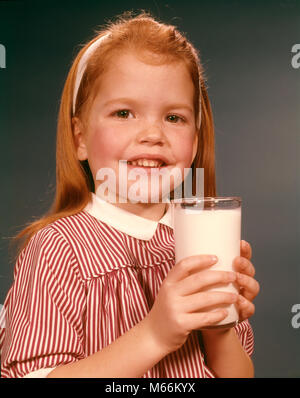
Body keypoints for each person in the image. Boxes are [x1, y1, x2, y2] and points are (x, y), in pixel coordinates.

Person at [0, 11, 259, 378]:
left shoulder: (201, 242)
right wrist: (154, 335)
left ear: (196, 140)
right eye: (124, 113)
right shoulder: (59, 249)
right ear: (80, 139)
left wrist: (219, 329)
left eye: (174, 118)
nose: (152, 134)